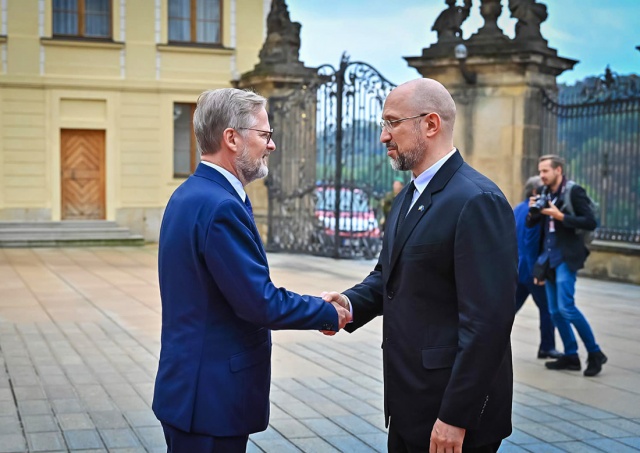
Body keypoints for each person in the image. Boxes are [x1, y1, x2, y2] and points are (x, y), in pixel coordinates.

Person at [323, 78, 517, 453]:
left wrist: (456, 417)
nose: (384, 136)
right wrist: (348, 304)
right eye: (384, 124)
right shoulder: (408, 196)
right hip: (408, 404)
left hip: (450, 416)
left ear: (430, 124)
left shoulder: (477, 200)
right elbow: (388, 276)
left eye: (392, 123)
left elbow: (488, 324)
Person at [152, 88, 351, 452]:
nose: (271, 146)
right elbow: (259, 302)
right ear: (232, 138)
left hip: (190, 390)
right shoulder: (220, 206)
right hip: (210, 399)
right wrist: (327, 312)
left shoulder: (190, 193)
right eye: (265, 134)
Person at [526, 154, 606, 377]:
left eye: (545, 171)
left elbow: (590, 221)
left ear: (558, 170)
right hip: (548, 258)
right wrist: (533, 210)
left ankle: (595, 352)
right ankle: (571, 355)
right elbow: (532, 223)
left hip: (566, 256)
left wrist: (561, 216)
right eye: (540, 171)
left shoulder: (574, 191)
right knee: (554, 311)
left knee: (566, 308)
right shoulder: (544, 192)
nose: (541, 175)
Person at [514, 176, 560, 360]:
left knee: (508, 310)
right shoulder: (535, 213)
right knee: (547, 309)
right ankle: (547, 347)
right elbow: (531, 242)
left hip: (516, 267)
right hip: (530, 269)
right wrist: (538, 270)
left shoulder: (517, 208)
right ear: (535, 192)